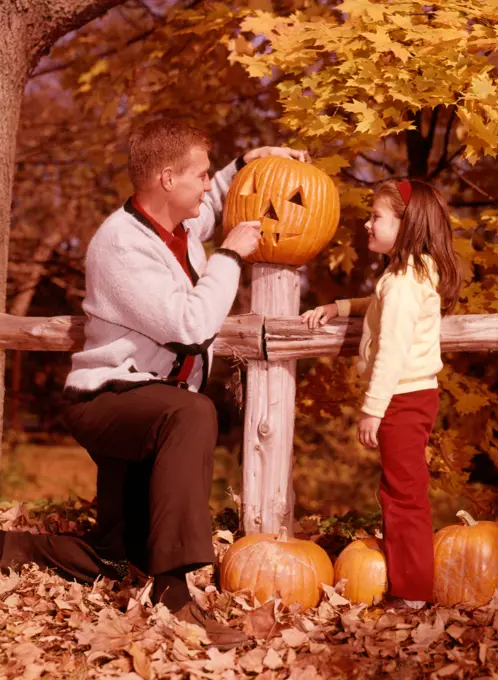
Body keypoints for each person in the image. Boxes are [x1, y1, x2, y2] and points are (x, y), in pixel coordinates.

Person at [0, 119, 309, 648]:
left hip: (148, 403)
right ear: (167, 179)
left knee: (118, 558)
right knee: (191, 414)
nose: (209, 185)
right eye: (201, 175)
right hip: (107, 401)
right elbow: (189, 325)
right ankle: (176, 599)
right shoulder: (118, 244)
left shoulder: (181, 227)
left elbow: (210, 205)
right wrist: (231, 256)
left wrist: (248, 161)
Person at [302, 179, 462, 610]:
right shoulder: (405, 274)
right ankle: (411, 584)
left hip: (402, 398)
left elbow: (391, 350)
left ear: (405, 224)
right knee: (400, 489)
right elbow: (379, 305)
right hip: (412, 396)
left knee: (403, 495)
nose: (367, 224)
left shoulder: (405, 281)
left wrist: (373, 410)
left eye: (377, 218)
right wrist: (341, 307)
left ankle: (412, 593)